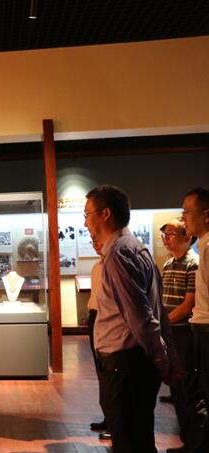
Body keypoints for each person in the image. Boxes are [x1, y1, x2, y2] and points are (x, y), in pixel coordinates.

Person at [84, 184, 178, 453]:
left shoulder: (118, 254)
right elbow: (157, 310)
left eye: (87, 214)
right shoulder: (136, 248)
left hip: (125, 364)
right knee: (138, 438)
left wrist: (162, 360)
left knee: (129, 442)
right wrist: (165, 354)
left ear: (105, 214)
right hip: (131, 364)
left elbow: (141, 316)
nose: (85, 222)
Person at [172, 187, 209, 453]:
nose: (183, 218)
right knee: (197, 389)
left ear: (206, 214)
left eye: (187, 212)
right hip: (200, 326)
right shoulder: (204, 245)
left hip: (205, 327)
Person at [158, 218, 199, 446]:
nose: (166, 238)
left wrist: (164, 323)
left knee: (186, 389)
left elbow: (188, 305)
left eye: (171, 233)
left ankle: (192, 441)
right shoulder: (168, 263)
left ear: (187, 237)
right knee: (175, 387)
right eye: (165, 234)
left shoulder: (193, 264)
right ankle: (187, 440)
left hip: (183, 332)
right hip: (170, 331)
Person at [86, 236, 111, 440]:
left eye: (98, 240)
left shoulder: (114, 266)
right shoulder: (97, 267)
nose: (96, 244)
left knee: (111, 370)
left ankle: (116, 422)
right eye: (93, 241)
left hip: (107, 318)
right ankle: (109, 417)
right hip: (94, 316)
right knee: (101, 369)